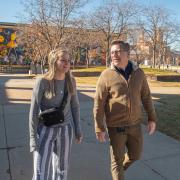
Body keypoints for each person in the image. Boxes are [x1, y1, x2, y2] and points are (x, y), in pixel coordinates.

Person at [93, 40, 157, 180]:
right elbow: (98, 103)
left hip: (135, 125)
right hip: (116, 127)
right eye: (112, 52)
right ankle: (118, 173)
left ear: (127, 54)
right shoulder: (106, 75)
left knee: (135, 155)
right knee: (116, 161)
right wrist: (99, 127)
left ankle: (118, 171)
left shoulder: (139, 73)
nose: (114, 55)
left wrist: (152, 118)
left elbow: (146, 97)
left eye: (117, 51)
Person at [29, 48, 83, 180]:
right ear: (53, 61)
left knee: (62, 170)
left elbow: (75, 106)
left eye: (69, 61)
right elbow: (34, 111)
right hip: (45, 130)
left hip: (65, 130)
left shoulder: (71, 81)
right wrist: (32, 138)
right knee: (40, 171)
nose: (67, 63)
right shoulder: (42, 82)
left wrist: (78, 129)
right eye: (63, 60)